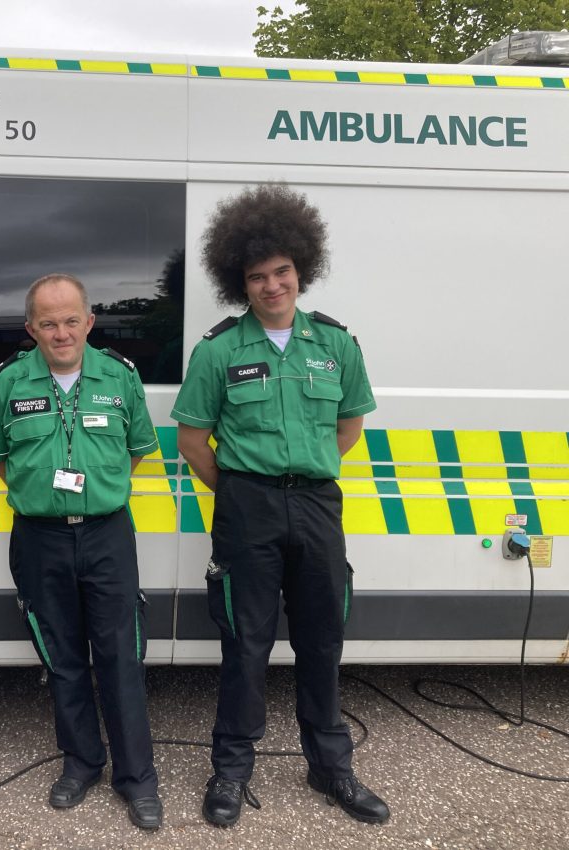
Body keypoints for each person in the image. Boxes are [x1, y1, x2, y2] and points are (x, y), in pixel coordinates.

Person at [172, 185, 390, 827]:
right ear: (240, 282)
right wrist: (245, 489)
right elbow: (192, 440)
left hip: (319, 507)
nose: (271, 286)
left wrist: (303, 477)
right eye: (257, 277)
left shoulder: (336, 345)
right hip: (248, 511)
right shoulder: (217, 351)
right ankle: (232, 771)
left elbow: (348, 427)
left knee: (323, 642)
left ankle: (331, 768)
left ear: (302, 269)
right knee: (246, 644)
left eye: (282, 272)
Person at [0, 274, 163, 830]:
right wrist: (42, 495)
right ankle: (81, 762)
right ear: (31, 328)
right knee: (62, 658)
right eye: (48, 322)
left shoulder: (121, 378)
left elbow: (137, 452)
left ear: (89, 322)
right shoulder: (7, 382)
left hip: (106, 534)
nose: (61, 332)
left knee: (121, 655)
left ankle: (137, 778)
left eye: (70, 319)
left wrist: (97, 492)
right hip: (39, 537)